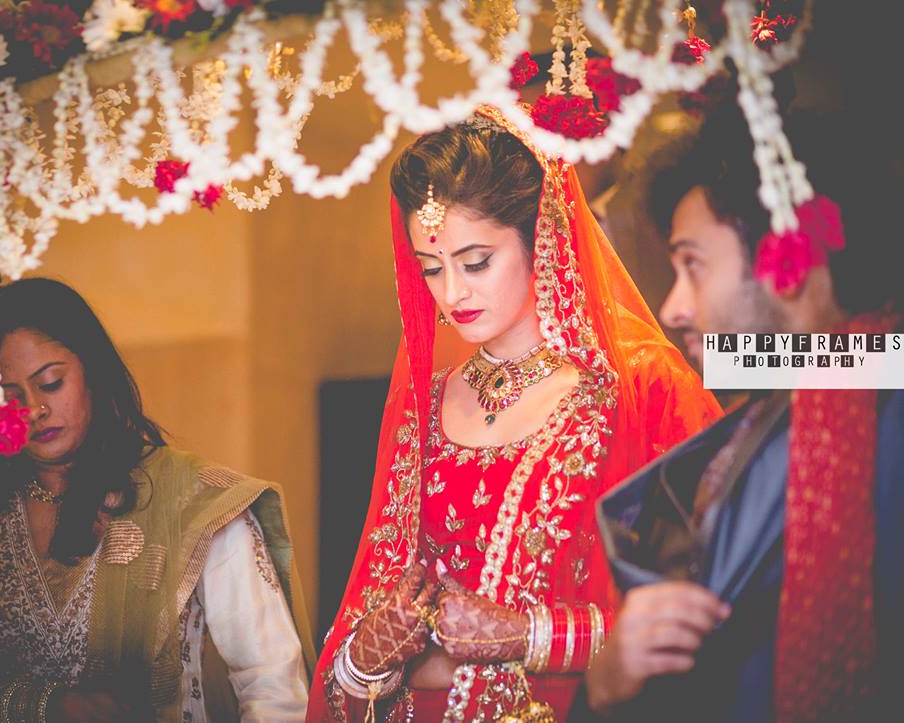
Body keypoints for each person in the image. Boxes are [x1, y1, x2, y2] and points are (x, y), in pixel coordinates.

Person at [306, 105, 723, 722]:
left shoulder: (637, 388)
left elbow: (710, 605)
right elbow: (369, 616)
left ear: (542, 240)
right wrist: (366, 658)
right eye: (431, 268)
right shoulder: (425, 407)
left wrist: (528, 634)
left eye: (476, 262)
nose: (453, 293)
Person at [580, 104, 904, 722]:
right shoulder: (813, 382)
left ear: (788, 257)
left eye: (692, 265)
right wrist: (607, 678)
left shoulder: (866, 402)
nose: (673, 308)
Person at [0, 277, 313, 722]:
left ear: (93, 373)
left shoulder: (194, 502)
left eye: (52, 383)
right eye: (10, 397)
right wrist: (48, 705)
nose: (34, 409)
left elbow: (273, 687)